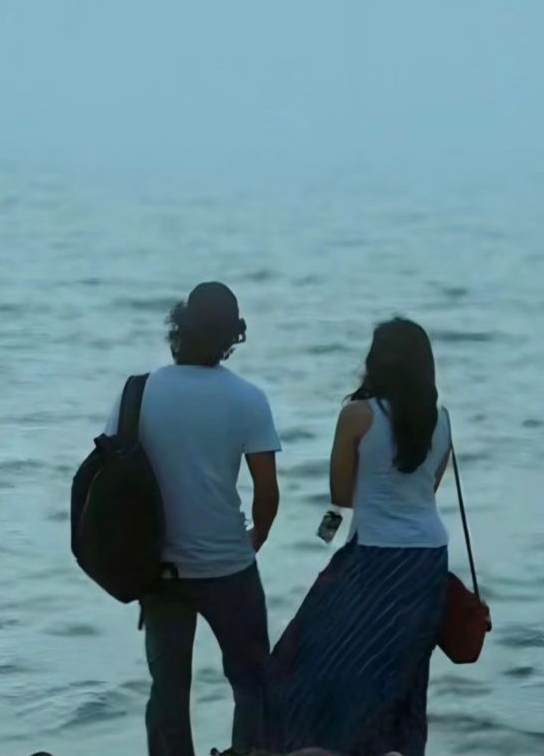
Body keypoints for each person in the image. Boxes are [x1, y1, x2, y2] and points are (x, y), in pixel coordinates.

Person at [104, 282, 281, 756]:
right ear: (232, 338)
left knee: (168, 693)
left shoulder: (137, 393)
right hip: (228, 565)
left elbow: (110, 482)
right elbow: (267, 492)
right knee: (252, 684)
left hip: (160, 569)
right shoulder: (247, 399)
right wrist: (254, 538)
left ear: (179, 328)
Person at [263, 317, 450, 756]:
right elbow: (428, 490)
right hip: (427, 559)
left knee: (304, 658)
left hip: (374, 557)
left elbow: (341, 494)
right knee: (401, 668)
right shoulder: (441, 420)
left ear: (374, 361)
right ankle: (393, 746)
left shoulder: (358, 416)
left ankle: (317, 744)